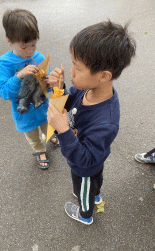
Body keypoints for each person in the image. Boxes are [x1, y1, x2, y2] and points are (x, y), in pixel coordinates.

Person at [47, 20, 136, 225]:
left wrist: (63, 130)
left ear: (104, 76)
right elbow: (70, 101)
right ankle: (94, 194)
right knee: (95, 181)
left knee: (84, 186)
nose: (71, 72)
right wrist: (59, 88)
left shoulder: (107, 121)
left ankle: (85, 214)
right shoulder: (84, 88)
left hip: (84, 166)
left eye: (77, 68)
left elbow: (85, 159)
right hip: (94, 161)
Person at [0, 9, 58, 170]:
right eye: (24, 47)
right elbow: (3, 92)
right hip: (24, 113)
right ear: (9, 41)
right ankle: (40, 151)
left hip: (43, 107)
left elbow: (49, 86)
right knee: (33, 136)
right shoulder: (5, 63)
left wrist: (49, 81)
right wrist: (19, 76)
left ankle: (51, 137)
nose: (30, 51)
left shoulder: (38, 57)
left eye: (33, 45)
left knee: (48, 128)